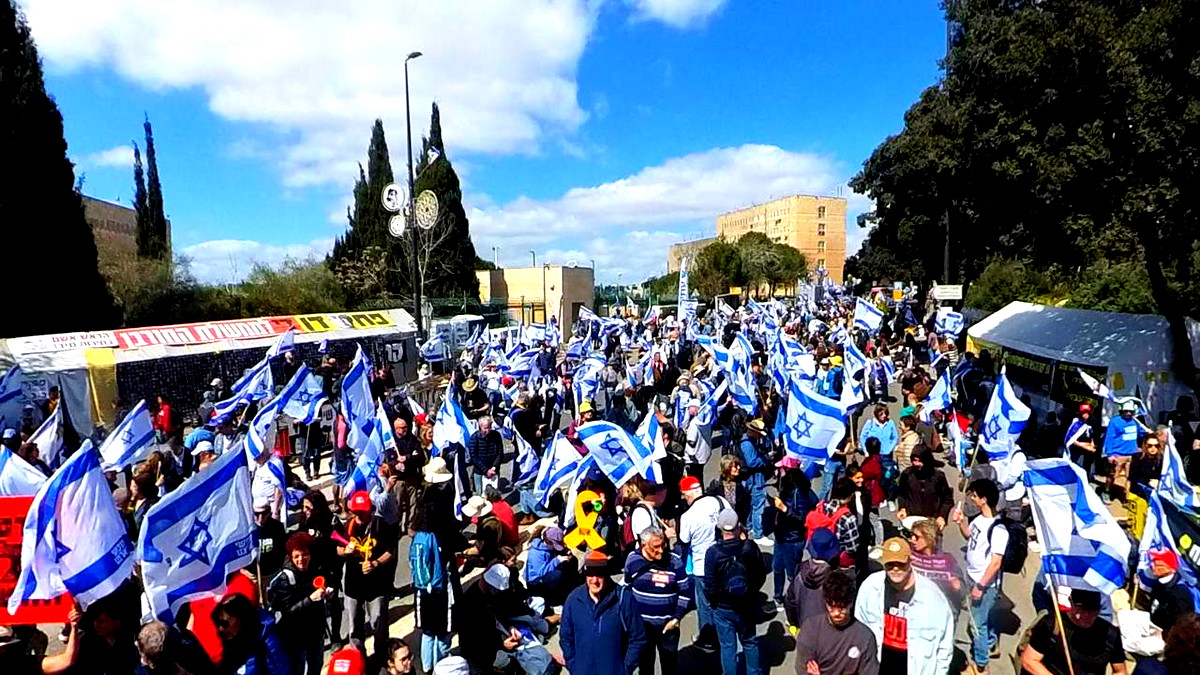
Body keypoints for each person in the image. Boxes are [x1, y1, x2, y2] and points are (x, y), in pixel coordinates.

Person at [854, 537, 955, 675]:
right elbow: (859, 631)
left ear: (910, 561)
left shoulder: (933, 598)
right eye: (890, 564)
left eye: (901, 564)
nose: (895, 569)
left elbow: (945, 648)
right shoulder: (870, 588)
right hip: (878, 668)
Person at [952, 479, 1009, 675]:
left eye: (975, 495)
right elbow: (970, 536)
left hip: (984, 584)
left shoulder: (999, 529)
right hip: (972, 576)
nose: (971, 498)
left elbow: (996, 563)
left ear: (984, 499)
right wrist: (961, 522)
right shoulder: (978, 519)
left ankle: (981, 665)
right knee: (984, 618)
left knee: (977, 625)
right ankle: (991, 644)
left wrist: (981, 586)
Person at [560, 551, 645, 675]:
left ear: (607, 574)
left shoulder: (624, 599)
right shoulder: (574, 599)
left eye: (599, 574)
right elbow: (566, 637)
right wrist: (574, 666)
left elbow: (638, 638)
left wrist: (625, 669)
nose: (594, 580)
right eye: (590, 574)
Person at [337, 491, 397, 663]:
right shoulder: (348, 525)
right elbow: (338, 548)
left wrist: (376, 563)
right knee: (354, 627)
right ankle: (359, 661)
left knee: (379, 626)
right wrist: (345, 551)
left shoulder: (381, 525)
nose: (359, 515)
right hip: (353, 584)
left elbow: (390, 551)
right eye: (356, 512)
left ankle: (381, 659)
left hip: (376, 584)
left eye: (362, 512)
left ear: (370, 510)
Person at [704, 508, 766, 675]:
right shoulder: (750, 547)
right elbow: (760, 575)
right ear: (738, 526)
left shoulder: (713, 552)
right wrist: (751, 594)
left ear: (720, 528)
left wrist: (714, 602)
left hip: (723, 607)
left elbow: (709, 584)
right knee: (750, 642)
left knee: (727, 647)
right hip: (746, 604)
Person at [678, 476, 730, 654]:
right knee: (724, 600)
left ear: (688, 494)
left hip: (702, 566)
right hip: (726, 561)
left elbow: (684, 539)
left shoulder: (688, 516)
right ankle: (726, 633)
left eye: (684, 495)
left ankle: (708, 639)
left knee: (705, 604)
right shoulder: (720, 501)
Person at [1020, 589, 1127, 675]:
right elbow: (1029, 660)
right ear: (1071, 604)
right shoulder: (1053, 625)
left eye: (1092, 610)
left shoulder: (1110, 633)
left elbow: (1120, 671)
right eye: (1081, 608)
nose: (1086, 615)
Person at [267, 532, 332, 675]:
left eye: (305, 555)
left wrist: (328, 595)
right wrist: (311, 599)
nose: (301, 560)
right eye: (296, 556)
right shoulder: (285, 578)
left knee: (316, 666)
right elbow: (288, 611)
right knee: (297, 669)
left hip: (316, 631)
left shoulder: (316, 569)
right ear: (290, 556)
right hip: (295, 636)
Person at [795, 570, 880, 675]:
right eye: (831, 606)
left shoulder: (865, 638)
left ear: (851, 603)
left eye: (842, 607)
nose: (836, 613)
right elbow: (803, 670)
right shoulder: (810, 630)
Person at [771, 464, 817, 610]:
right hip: (781, 535)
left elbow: (801, 518)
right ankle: (778, 598)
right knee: (777, 568)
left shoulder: (800, 493)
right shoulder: (787, 490)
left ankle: (796, 602)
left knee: (792, 574)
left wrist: (784, 509)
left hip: (792, 539)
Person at [784, 528, 846, 636]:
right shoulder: (836, 578)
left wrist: (793, 622)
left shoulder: (799, 571)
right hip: (829, 632)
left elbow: (790, 601)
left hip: (805, 627)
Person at [210, 594, 290, 675]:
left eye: (224, 623)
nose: (220, 629)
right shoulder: (229, 645)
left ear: (241, 619)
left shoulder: (267, 641)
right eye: (218, 623)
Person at [1137, 548, 1195, 635]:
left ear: (1170, 568)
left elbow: (1182, 624)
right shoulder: (1159, 585)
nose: (1153, 566)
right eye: (1153, 562)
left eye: (1158, 565)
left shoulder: (1180, 594)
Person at [908, 518, 963, 606]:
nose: (912, 539)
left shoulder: (947, 560)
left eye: (917, 537)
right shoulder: (909, 556)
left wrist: (957, 587)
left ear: (929, 538)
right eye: (911, 535)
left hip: (941, 607)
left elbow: (962, 592)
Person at [895, 446, 954, 527]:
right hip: (911, 520)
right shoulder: (907, 475)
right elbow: (902, 494)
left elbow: (948, 499)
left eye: (920, 461)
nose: (917, 464)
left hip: (932, 521)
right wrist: (902, 508)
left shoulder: (938, 477)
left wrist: (942, 516)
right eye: (914, 460)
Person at [737, 419, 772, 545]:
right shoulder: (747, 444)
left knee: (751, 505)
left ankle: (750, 526)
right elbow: (752, 462)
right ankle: (758, 534)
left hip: (752, 479)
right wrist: (765, 459)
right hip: (754, 479)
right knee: (758, 506)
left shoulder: (748, 441)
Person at [524, 526, 579, 607]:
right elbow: (540, 572)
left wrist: (565, 553)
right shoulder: (536, 553)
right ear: (549, 542)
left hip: (548, 572)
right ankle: (552, 599)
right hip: (536, 583)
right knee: (557, 575)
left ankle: (572, 585)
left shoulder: (549, 546)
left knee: (573, 560)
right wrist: (557, 561)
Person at [1104, 399, 1143, 499]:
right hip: (1118, 454)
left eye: (1131, 411)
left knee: (1130, 477)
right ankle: (1107, 491)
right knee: (1112, 475)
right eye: (1126, 411)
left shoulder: (1136, 421)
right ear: (1121, 410)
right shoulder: (1115, 421)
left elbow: (1141, 433)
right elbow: (1109, 438)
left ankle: (1127, 497)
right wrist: (1110, 454)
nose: (1128, 413)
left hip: (1132, 455)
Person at [707, 455, 750, 525]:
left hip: (737, 521)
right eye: (735, 466)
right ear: (727, 468)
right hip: (720, 522)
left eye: (738, 465)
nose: (739, 468)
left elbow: (745, 504)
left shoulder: (741, 483)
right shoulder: (716, 484)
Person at [465, 416, 503, 494]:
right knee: (480, 494)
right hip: (480, 471)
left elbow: (500, 453)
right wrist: (486, 470)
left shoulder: (496, 435)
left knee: (494, 494)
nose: (487, 430)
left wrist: (494, 467)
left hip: (494, 470)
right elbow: (473, 457)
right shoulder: (474, 438)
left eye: (489, 427)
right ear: (480, 427)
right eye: (485, 428)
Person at [255, 499, 288, 584]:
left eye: (264, 513)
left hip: (272, 573)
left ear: (269, 512)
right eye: (256, 514)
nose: (260, 518)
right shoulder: (247, 529)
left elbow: (282, 550)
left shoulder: (277, 527)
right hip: (252, 575)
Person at [1066, 404, 1098, 479]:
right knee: (1072, 464)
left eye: (1087, 413)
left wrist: (1092, 445)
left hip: (1087, 446)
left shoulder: (1093, 422)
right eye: (1083, 413)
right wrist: (1083, 446)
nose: (1085, 415)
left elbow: (1093, 435)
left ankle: (1085, 479)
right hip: (1076, 447)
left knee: (1086, 466)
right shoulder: (1076, 422)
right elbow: (1071, 438)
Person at [684, 401, 713, 480]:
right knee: (700, 475)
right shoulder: (706, 420)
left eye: (689, 407)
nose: (688, 409)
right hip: (703, 454)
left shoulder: (694, 424)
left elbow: (691, 441)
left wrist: (685, 436)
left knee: (694, 478)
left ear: (695, 408)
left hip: (694, 457)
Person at [1130, 435, 1165, 500]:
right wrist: (1148, 481)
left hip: (1157, 489)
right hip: (1140, 490)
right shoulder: (1138, 457)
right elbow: (1132, 476)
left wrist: (1159, 481)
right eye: (1150, 445)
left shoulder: (1161, 459)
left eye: (1156, 445)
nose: (1153, 448)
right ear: (1145, 445)